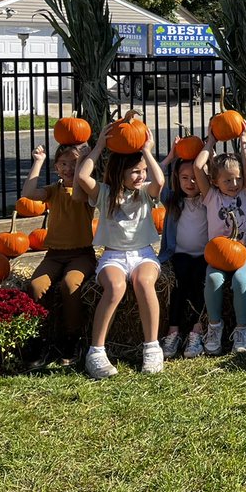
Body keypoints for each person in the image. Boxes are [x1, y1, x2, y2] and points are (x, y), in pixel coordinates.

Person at [75, 124, 167, 379]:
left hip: (143, 254)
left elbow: (160, 180)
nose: (141, 176)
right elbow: (83, 177)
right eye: (135, 172)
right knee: (115, 287)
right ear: (119, 173)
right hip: (113, 255)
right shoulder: (104, 194)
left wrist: (147, 151)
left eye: (143, 171)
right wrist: (99, 147)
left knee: (144, 281)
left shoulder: (145, 193)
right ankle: (96, 351)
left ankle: (152, 347)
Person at [22, 142, 94, 365]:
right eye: (64, 163)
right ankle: (40, 338)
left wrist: (84, 161)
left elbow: (78, 196)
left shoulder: (86, 191)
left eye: (74, 162)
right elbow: (28, 193)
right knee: (35, 286)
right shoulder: (53, 191)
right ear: (56, 167)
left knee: (70, 284)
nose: (69, 167)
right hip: (53, 254)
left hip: (81, 254)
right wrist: (38, 162)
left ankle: (71, 339)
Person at [193, 127, 246, 354]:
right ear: (215, 181)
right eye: (228, 180)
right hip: (219, 256)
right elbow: (196, 167)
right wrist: (210, 141)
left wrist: (243, 141)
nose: (234, 183)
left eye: (238, 178)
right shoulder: (211, 196)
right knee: (212, 279)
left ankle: (242, 330)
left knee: (241, 281)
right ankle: (214, 326)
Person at [158, 142, 210, 360]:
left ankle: (197, 331)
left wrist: (210, 151)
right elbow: (156, 180)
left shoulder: (209, 199)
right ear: (177, 179)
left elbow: (215, 174)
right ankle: (173, 331)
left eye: (195, 177)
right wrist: (169, 158)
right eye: (184, 177)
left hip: (205, 255)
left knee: (199, 281)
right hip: (178, 254)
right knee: (178, 283)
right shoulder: (173, 200)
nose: (190, 182)